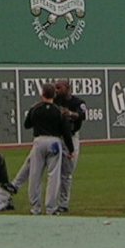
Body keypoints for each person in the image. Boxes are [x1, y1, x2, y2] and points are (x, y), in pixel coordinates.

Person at [22, 82, 74, 215]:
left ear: (42, 94)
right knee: (53, 176)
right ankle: (51, 208)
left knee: (35, 175)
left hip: (39, 141)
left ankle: (35, 208)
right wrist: (71, 149)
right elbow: (66, 132)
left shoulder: (35, 108)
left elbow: (26, 125)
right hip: (54, 142)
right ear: (54, 95)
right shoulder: (59, 111)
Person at [53, 79, 87, 214]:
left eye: (59, 87)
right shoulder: (55, 101)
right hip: (56, 138)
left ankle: (64, 203)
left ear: (67, 88)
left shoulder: (78, 102)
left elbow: (82, 115)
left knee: (67, 173)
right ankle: (51, 203)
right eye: (55, 88)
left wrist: (71, 114)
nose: (56, 90)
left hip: (72, 137)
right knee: (53, 172)